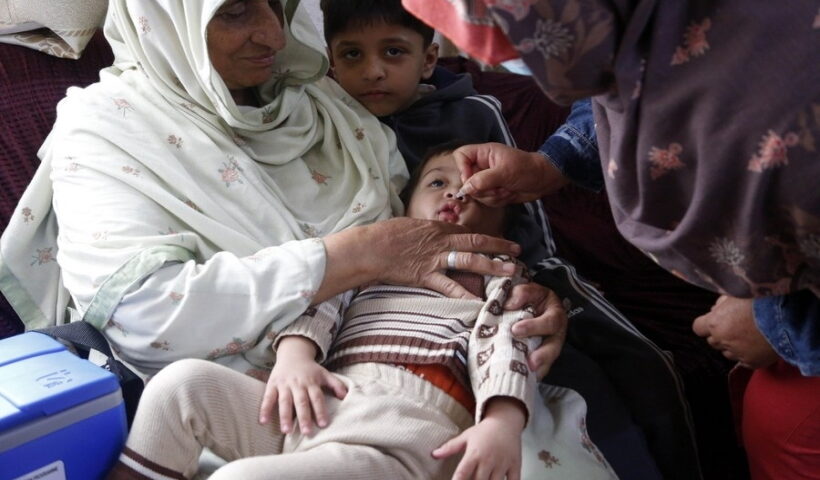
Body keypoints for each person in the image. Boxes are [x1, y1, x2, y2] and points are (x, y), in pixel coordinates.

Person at [0, 0, 567, 388]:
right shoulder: (107, 130)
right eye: (236, 10)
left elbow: (430, 242)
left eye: (278, 3)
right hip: (248, 405)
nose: (273, 34)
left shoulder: (321, 104)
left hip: (423, 361)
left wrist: (513, 296)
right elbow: (142, 318)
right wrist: (356, 255)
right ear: (166, 17)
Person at [401, 1, 820, 478]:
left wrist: (778, 318)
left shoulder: (786, 113)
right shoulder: (625, 36)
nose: (454, 191)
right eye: (434, 182)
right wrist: (551, 163)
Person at [108, 143, 616, 480]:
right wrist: (294, 360)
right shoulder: (378, 266)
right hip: (318, 407)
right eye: (437, 183)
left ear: (505, 227)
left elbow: (507, 346)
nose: (455, 194)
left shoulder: (502, 284)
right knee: (181, 386)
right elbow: (321, 304)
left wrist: (501, 424)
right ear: (404, 206)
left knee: (240, 478)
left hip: (400, 438)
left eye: (477, 191)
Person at [320, 0, 552, 270]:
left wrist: (544, 274)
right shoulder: (328, 123)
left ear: (428, 59)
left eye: (393, 51)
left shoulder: (475, 113)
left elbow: (522, 204)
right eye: (352, 54)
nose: (373, 72)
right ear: (332, 62)